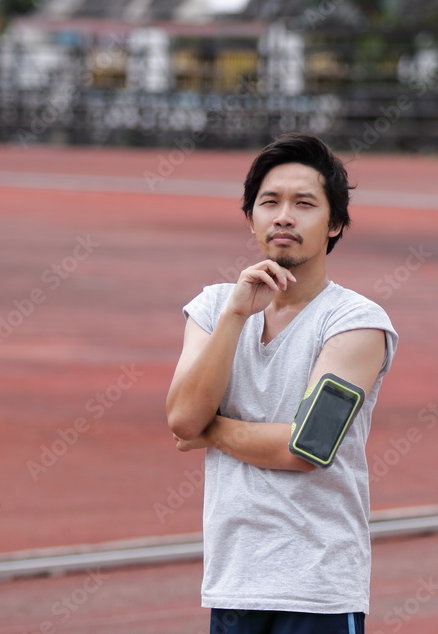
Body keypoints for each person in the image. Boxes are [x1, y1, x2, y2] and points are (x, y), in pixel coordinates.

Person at [166, 133, 397, 634]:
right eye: (269, 202)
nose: (284, 216)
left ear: (335, 223)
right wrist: (235, 315)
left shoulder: (355, 323)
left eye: (304, 204)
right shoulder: (212, 308)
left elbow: (307, 446)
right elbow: (182, 416)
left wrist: (210, 433)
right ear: (251, 217)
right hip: (233, 583)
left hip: (318, 590)